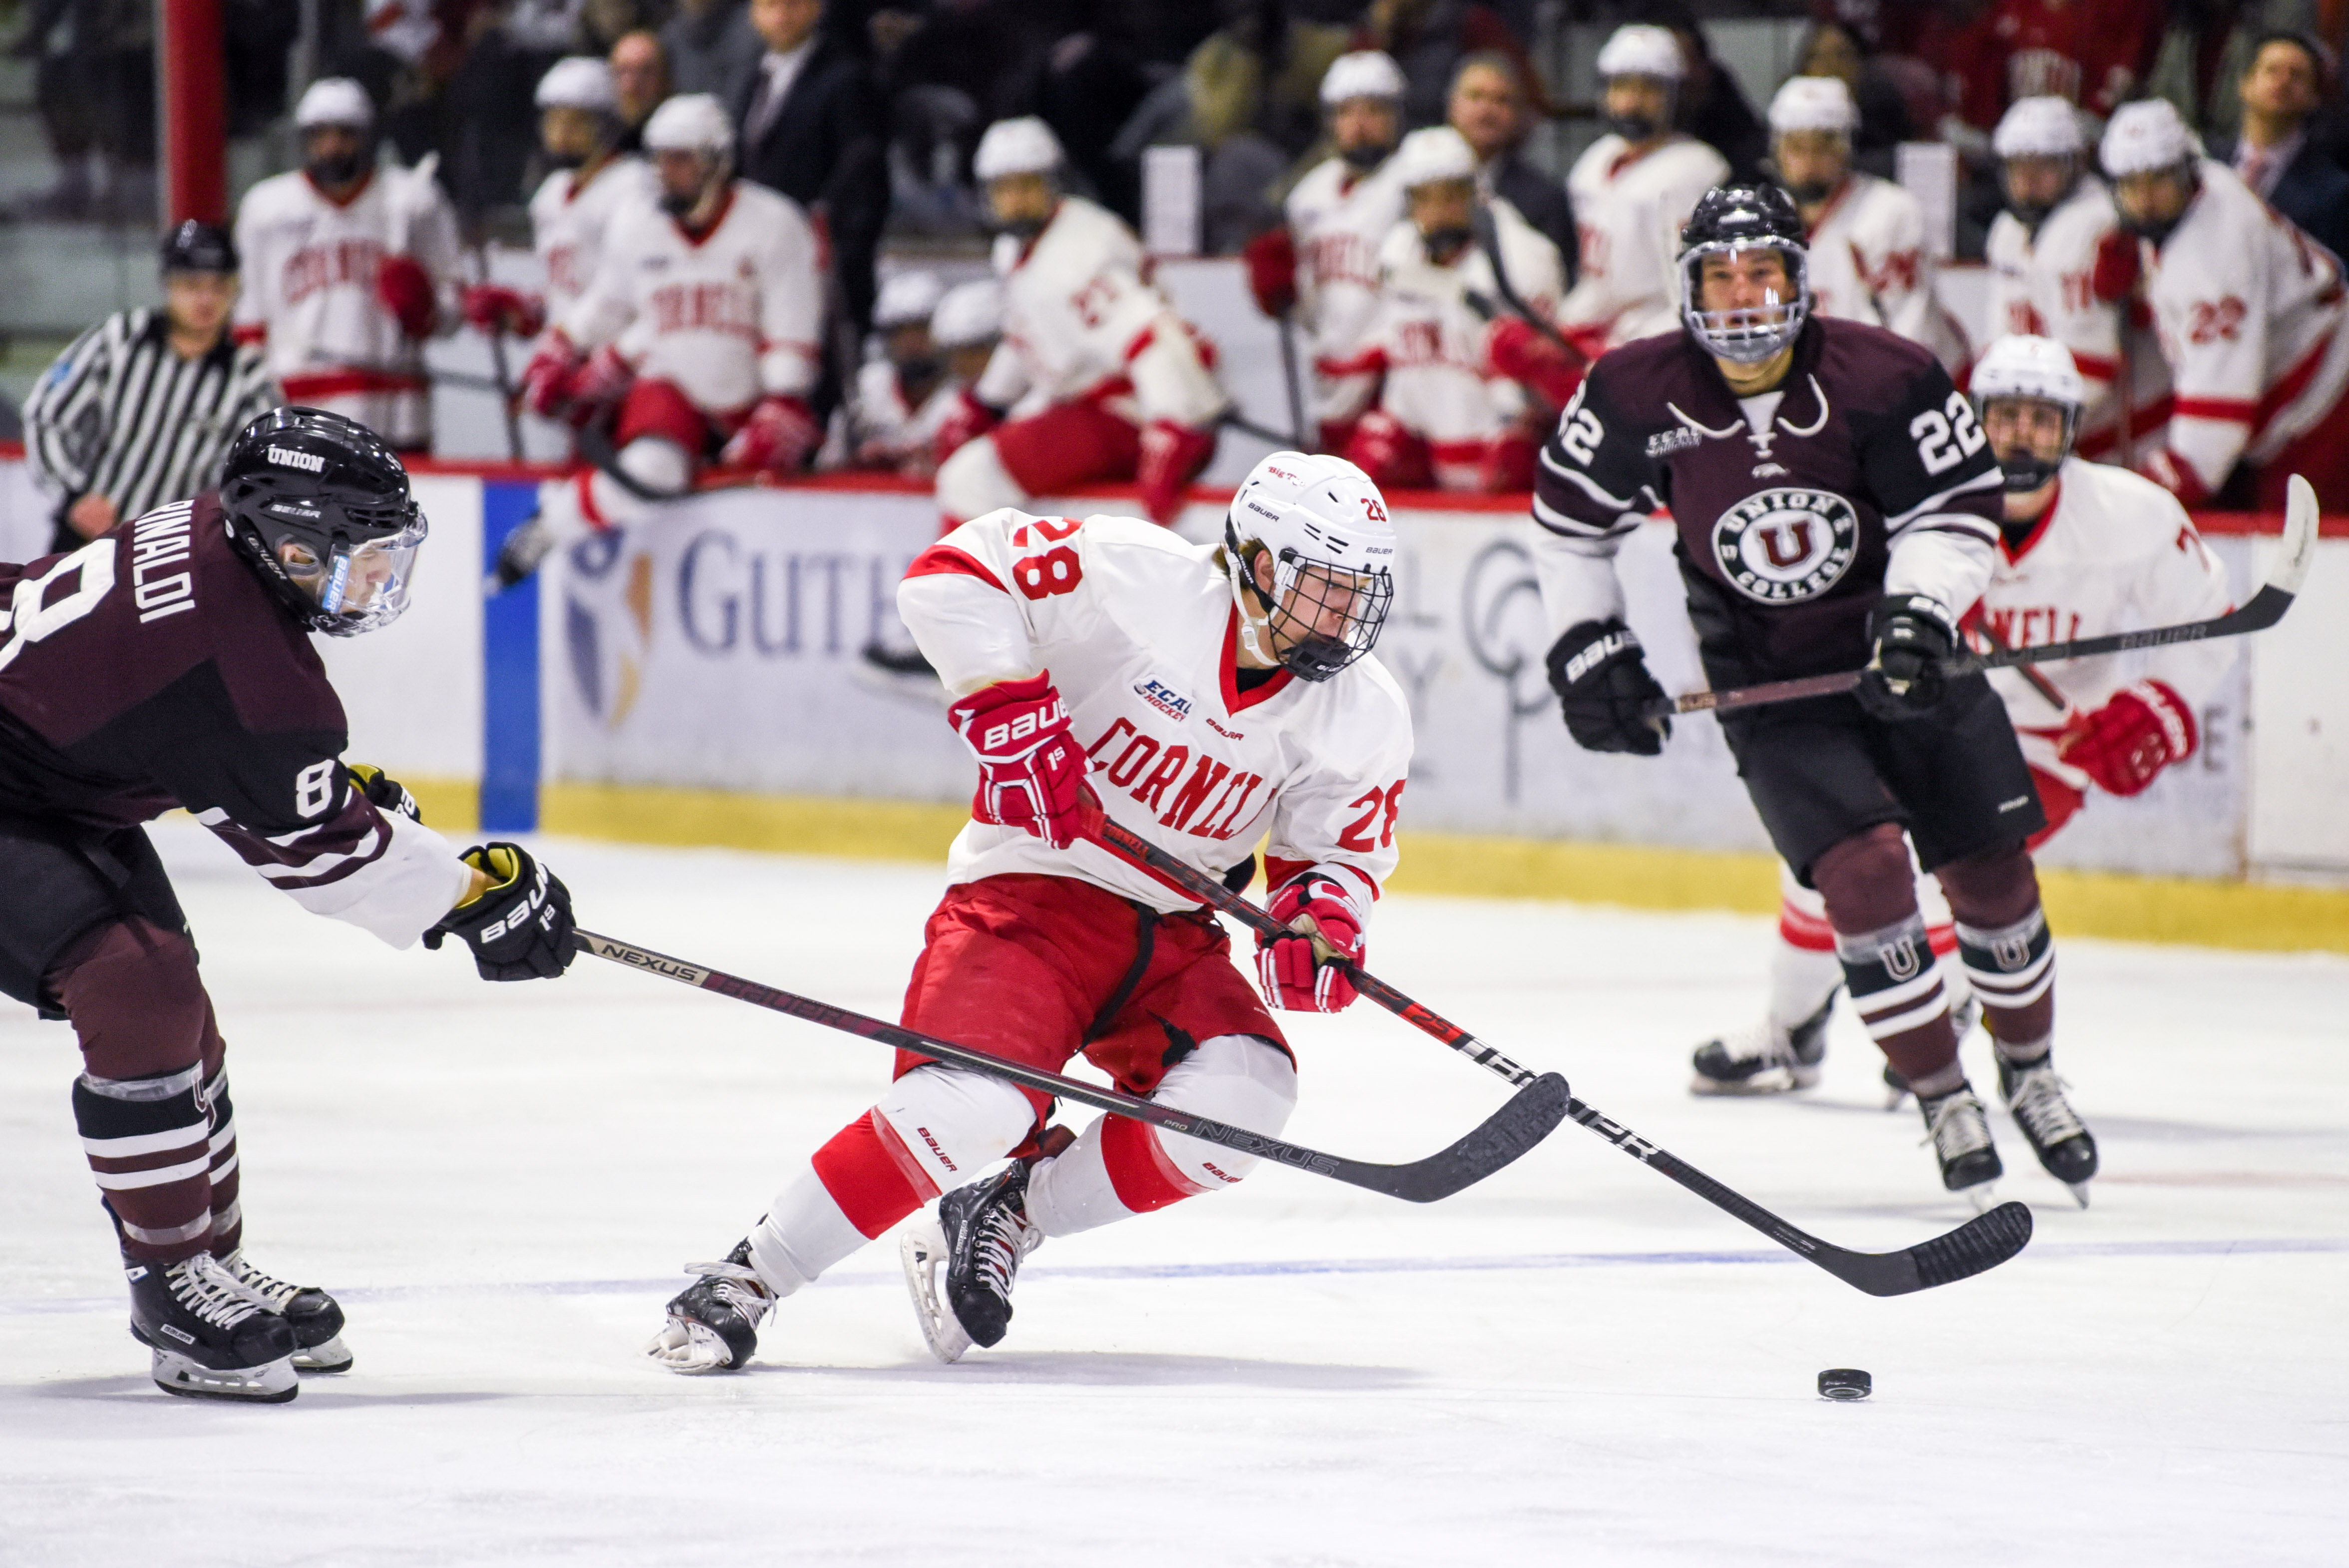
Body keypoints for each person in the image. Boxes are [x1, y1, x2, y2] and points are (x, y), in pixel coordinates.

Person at [643, 450, 1411, 1372]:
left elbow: (1334, 855)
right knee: (975, 1106)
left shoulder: (1365, 711)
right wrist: (1014, 712)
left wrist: (1320, 927)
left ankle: (1011, 1208)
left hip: (1171, 936)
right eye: (1320, 590)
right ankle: (748, 1277)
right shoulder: (1137, 578)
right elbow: (954, 576)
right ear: (1252, 563)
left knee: (1246, 1096)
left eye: (1355, 595)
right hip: (1028, 900)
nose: (1340, 619)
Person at [0, 407, 578, 1403]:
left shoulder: (216, 544)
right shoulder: (242, 668)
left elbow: (216, 749)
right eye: (359, 557)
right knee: (136, 980)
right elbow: (329, 861)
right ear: (291, 539)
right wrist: (474, 897)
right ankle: (174, 1284)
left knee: (168, 1001)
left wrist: (329, 793)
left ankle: (207, 1261)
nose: (376, 582)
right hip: (19, 779)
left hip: (41, 773)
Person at [1531, 183, 2084, 1205]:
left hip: (1910, 658)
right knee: (1866, 874)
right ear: (1686, 285)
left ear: (1799, 277)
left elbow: (1955, 510)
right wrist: (1588, 644)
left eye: (1763, 272)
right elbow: (1571, 529)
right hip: (1770, 682)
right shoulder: (1633, 392)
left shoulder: (1890, 374)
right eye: (1720, 276)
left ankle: (2034, 1073)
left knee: (1992, 872)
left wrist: (1920, 609)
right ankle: (1942, 1097)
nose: (1743, 297)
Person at [1684, 336, 2228, 1210]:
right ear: (1972, 422)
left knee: (1950, 885)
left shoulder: (2133, 514)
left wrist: (2156, 710)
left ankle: (1965, 1027)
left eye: (2039, 420)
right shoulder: (1915, 505)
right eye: (2003, 416)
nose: (2018, 437)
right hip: (1922, 726)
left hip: (2052, 745)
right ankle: (1791, 1032)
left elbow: (2210, 622)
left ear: (2071, 431)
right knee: (1833, 879)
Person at [503, 93, 825, 585]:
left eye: (681, 160)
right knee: (652, 468)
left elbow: (791, 324)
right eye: (659, 160)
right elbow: (605, 307)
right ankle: (551, 525)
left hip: (744, 406)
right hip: (666, 394)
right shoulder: (638, 224)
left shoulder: (774, 224)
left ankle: (561, 510)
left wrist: (785, 401)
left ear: (717, 161)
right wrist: (554, 355)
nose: (665, 173)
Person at [929, 117, 1228, 532]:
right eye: (1003, 189)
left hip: (1126, 410)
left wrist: (1170, 426)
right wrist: (986, 402)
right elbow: (1032, 332)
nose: (1014, 201)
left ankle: (969, 594)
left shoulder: (1079, 253)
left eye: (1027, 186)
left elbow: (1151, 338)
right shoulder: (1024, 247)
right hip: (1092, 405)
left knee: (968, 481)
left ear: (1052, 183)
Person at [2102, 98, 2349, 510]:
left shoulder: (2214, 259)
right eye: (2132, 183)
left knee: (2299, 561)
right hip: (2312, 391)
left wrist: (2149, 497)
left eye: (2159, 179)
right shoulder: (2210, 184)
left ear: (2185, 169)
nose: (2144, 198)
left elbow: (2211, 437)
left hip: (2325, 407)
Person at [231, 78, 463, 452]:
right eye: (319, 135)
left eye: (345, 134)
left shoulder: (414, 202)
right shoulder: (266, 210)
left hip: (396, 410)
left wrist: (425, 310)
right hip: (298, 411)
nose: (331, 147)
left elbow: (454, 309)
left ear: (368, 137)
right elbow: (249, 323)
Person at [24, 223, 282, 556]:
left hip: (169, 557)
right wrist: (73, 497)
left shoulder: (248, 374)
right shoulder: (121, 337)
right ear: (168, 284)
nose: (206, 299)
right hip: (84, 540)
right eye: (192, 285)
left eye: (219, 287)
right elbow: (46, 415)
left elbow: (263, 470)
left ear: (235, 289)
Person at [1338, 126, 1568, 492]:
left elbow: (1554, 376)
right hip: (1425, 441)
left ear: (1475, 193)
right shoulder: (1397, 252)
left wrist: (1523, 419)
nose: (1439, 211)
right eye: (1424, 198)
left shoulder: (1522, 258)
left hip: (1504, 435)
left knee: (1515, 468)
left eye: (1451, 195)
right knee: (1361, 474)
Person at [1982, 95, 2169, 463]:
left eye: (2045, 164)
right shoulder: (2007, 232)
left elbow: (2090, 368)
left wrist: (2023, 438)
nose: (2029, 178)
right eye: (2018, 165)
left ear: (2076, 163)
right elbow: (1999, 344)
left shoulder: (2095, 224)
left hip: (2129, 433)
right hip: (2059, 432)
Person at [1242, 50, 1410, 457]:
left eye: (1373, 110)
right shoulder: (1307, 196)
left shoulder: (1415, 184)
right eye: (1347, 112)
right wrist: (1281, 293)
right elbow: (1309, 308)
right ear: (1330, 121)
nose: (1360, 124)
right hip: (1331, 375)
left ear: (1396, 116)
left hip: (1399, 377)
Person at [461, 58, 659, 362]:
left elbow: (624, 294)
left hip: (619, 361)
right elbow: (562, 292)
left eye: (576, 122)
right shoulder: (551, 194)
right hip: (569, 360)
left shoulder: (634, 188)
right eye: (553, 121)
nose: (561, 134)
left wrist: (565, 341)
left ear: (606, 125)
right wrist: (522, 310)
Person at [1766, 75, 1966, 372]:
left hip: (1892, 388)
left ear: (1846, 148)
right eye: (1796, 147)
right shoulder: (1765, 217)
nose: (1808, 162)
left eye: (1823, 147)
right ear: (1777, 151)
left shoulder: (1890, 213)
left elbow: (1909, 336)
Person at [1556, 24, 1730, 357]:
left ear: (1674, 94)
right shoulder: (1593, 163)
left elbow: (1694, 295)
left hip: (1662, 344)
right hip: (1604, 330)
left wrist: (1623, 354)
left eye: (1649, 88)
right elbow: (1594, 280)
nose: (1633, 101)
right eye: (1621, 86)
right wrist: (1566, 331)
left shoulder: (1697, 172)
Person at [731, 0, 889, 346]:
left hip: (822, 274)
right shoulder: (754, 77)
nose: (782, 15)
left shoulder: (846, 79)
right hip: (758, 267)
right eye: (771, 4)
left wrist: (836, 261)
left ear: (817, 8)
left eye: (794, 4)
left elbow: (863, 183)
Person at [2210, 30, 2349, 264]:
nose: (2283, 81)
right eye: (2272, 70)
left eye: (2297, 75)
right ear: (2246, 84)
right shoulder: (2206, 161)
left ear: (2315, 97)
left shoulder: (2334, 192)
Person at [1447, 50, 1578, 276]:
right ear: (1452, 106)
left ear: (1519, 114)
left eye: (1501, 100)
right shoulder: (1415, 181)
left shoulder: (1546, 199)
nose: (1487, 110)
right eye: (1476, 96)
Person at [838, 270, 951, 473]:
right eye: (900, 332)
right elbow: (831, 467)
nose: (911, 343)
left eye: (921, 329)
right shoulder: (869, 389)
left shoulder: (966, 397)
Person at [609, 29, 671, 153]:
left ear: (665, 79)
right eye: (623, 72)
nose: (632, 86)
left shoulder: (677, 143)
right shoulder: (601, 145)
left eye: (646, 72)